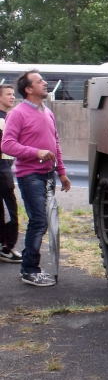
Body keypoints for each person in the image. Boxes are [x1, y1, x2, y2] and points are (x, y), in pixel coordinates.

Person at [1, 71, 71, 286]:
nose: (45, 83)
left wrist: (62, 172)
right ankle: (29, 270)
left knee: (47, 221)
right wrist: (36, 152)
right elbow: (6, 145)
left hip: (48, 174)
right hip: (29, 174)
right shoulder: (18, 114)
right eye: (40, 81)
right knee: (39, 221)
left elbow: (55, 143)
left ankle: (30, 267)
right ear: (29, 89)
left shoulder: (47, 112)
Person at [0, 83, 22, 263]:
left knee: (7, 211)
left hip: (6, 169)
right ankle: (5, 248)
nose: (12, 97)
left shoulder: (9, 117)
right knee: (9, 212)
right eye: (8, 94)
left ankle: (5, 247)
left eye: (13, 94)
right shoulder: (2, 119)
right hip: (2, 171)